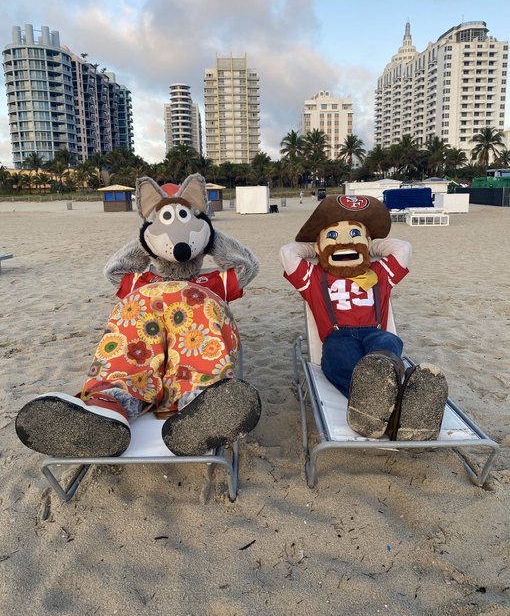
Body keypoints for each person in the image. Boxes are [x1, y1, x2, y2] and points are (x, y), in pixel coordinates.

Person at [16, 175, 262, 458]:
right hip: (146, 341)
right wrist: (145, 241)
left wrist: (209, 235)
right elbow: (113, 270)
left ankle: (201, 401)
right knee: (131, 329)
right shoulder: (142, 281)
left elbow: (247, 267)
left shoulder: (211, 282)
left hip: (194, 341)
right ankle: (109, 406)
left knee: (201, 318)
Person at [280, 193, 447, 441]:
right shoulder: (314, 278)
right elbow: (288, 252)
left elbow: (403, 248)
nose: (345, 243)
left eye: (354, 235)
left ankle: (383, 402)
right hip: (339, 336)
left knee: (388, 344)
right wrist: (315, 247)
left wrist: (370, 245)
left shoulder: (379, 272)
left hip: (374, 332)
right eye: (333, 236)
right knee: (338, 359)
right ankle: (393, 407)